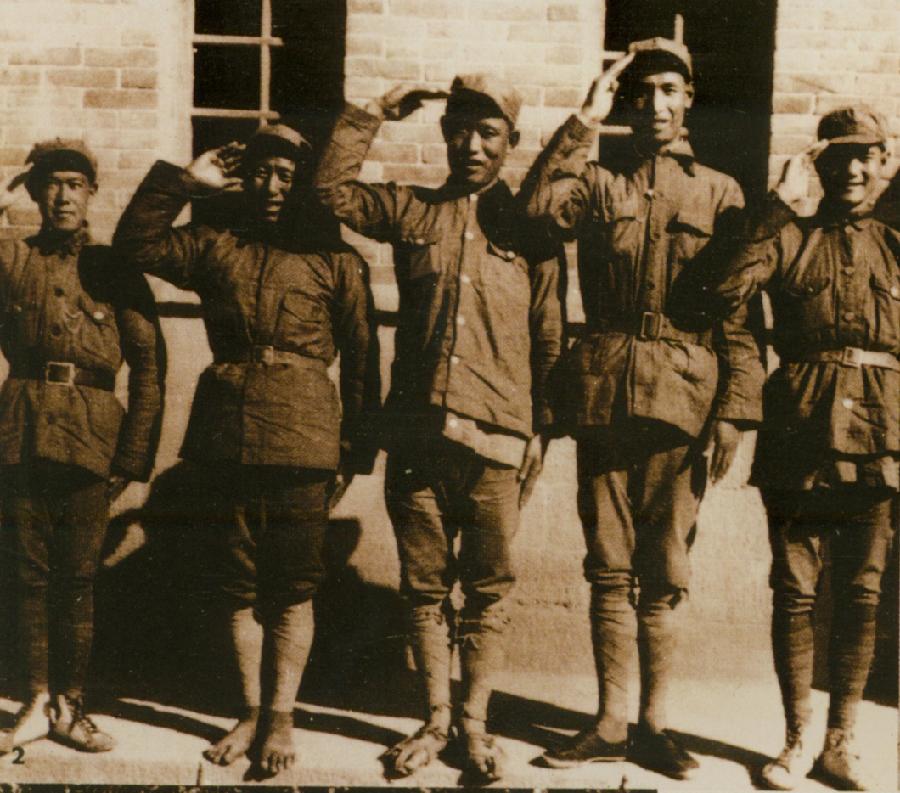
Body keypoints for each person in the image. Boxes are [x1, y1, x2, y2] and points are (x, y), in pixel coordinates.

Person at [517, 38, 764, 778]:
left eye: (669, 90)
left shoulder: (720, 192)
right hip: (604, 392)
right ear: (627, 102)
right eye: (643, 91)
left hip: (685, 396)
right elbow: (537, 211)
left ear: (688, 100)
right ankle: (608, 722)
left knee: (664, 569)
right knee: (607, 566)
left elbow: (737, 314)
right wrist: (582, 121)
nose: (655, 104)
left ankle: (654, 725)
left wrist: (734, 409)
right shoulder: (596, 183)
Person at [315, 75, 563, 783]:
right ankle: (433, 719)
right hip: (418, 436)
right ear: (445, 135)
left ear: (511, 143)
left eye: (489, 133)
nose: (472, 145)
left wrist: (540, 433)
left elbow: (548, 337)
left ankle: (475, 725)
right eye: (460, 130)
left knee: (487, 591)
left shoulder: (531, 228)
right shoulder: (413, 209)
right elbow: (330, 193)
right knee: (423, 588)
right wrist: (370, 115)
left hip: (497, 440)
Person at [113, 124, 380, 776]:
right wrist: (184, 182)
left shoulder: (337, 261)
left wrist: (352, 454)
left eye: (287, 174)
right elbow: (136, 243)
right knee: (235, 585)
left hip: (304, 440)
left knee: (291, 586)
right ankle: (250, 710)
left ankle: (282, 715)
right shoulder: (216, 245)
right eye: (261, 171)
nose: (272, 185)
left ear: (304, 184)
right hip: (225, 437)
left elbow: (363, 364)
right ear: (245, 178)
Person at [708, 106, 897, 791]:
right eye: (836, 157)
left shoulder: (894, 242)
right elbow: (724, 288)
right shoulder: (789, 237)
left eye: (864, 156)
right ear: (818, 165)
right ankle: (795, 739)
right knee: (794, 592)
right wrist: (777, 206)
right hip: (799, 432)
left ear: (884, 162)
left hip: (879, 433)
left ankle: (841, 742)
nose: (850, 170)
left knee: (862, 593)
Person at [0, 139, 165, 754]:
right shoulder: (13, 259)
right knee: (26, 574)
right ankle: (36, 701)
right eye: (51, 184)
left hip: (93, 441)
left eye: (75, 184)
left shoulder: (114, 269)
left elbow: (149, 366)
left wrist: (132, 458)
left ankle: (71, 706)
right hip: (21, 433)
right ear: (35, 193)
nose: (63, 196)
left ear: (92, 193)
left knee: (77, 579)